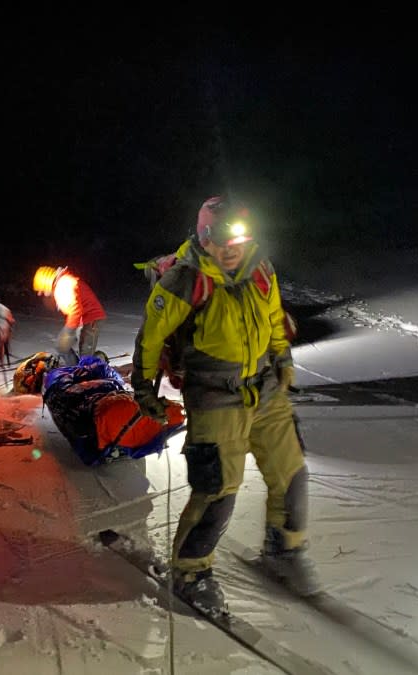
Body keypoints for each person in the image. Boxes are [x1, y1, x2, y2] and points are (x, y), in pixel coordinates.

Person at [130, 195, 319, 614]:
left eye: (241, 235)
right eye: (222, 237)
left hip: (265, 390)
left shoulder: (259, 269)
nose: (233, 246)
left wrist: (283, 360)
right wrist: (144, 389)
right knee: (218, 490)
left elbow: (273, 320)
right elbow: (151, 336)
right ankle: (191, 570)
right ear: (204, 236)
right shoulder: (185, 280)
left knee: (292, 475)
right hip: (215, 398)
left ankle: (283, 551)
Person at [33, 265, 107, 366]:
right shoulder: (62, 284)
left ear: (46, 283)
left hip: (92, 319)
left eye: (41, 290)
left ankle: (93, 367)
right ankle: (77, 369)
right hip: (84, 319)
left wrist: (69, 331)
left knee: (84, 353)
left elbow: (75, 310)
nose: (40, 293)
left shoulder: (64, 285)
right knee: (63, 347)